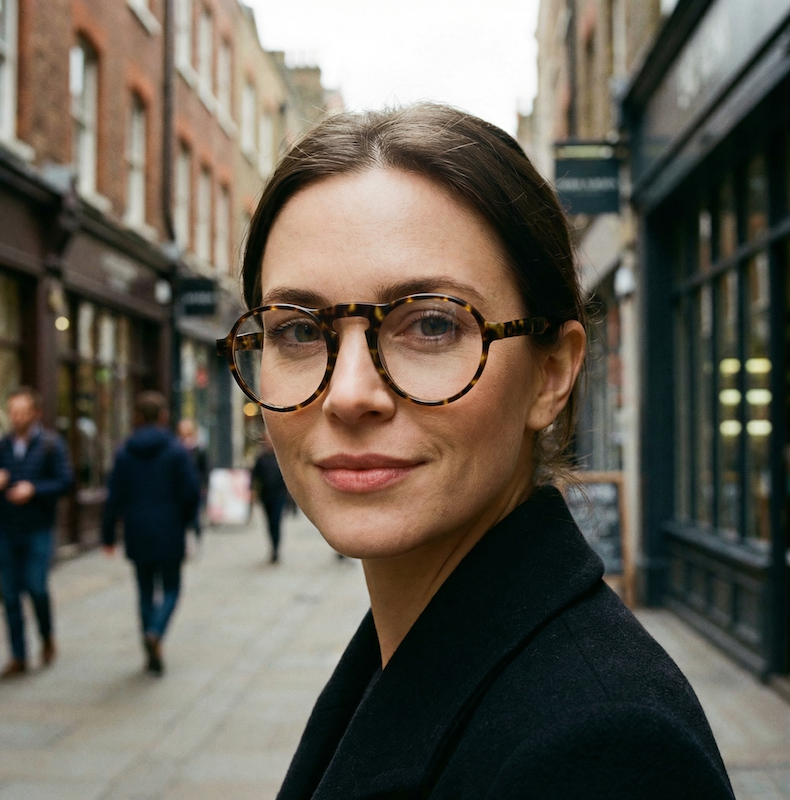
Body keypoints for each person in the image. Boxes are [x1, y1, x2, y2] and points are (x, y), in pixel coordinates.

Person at [217, 105, 734, 799]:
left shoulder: (602, 751)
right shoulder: (411, 646)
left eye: (431, 324)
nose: (348, 394)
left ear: (551, 374)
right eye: (298, 332)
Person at [102, 391, 199, 675]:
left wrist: (108, 535)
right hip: (170, 529)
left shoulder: (124, 451)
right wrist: (190, 522)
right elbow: (191, 492)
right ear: (163, 417)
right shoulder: (176, 450)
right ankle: (156, 631)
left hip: (136, 529)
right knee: (171, 587)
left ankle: (149, 640)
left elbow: (113, 496)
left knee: (145, 590)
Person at [0, 387, 74, 679]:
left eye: (22, 412)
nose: (16, 418)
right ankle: (18, 656)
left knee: (36, 587)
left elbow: (66, 482)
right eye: (12, 412)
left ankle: (47, 635)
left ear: (35, 413)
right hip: (8, 529)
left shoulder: (51, 444)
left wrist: (34, 489)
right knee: (10, 596)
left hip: (38, 529)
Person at [251, 434, 288, 563]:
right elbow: (255, 475)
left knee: (276, 521)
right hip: (266, 495)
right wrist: (253, 491)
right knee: (270, 523)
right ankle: (272, 546)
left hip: (279, 495)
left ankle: (276, 549)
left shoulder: (282, 457)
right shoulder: (261, 458)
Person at [176, 418, 208, 543]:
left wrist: (204, 484)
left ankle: (196, 534)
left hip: (195, 485)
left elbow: (204, 467)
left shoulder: (198, 448)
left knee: (195, 513)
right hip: (180, 486)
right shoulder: (177, 446)